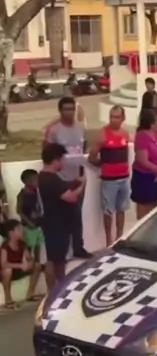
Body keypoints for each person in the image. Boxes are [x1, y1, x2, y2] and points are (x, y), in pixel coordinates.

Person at [45, 96, 90, 258]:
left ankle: (78, 247)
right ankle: (64, 251)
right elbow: (47, 155)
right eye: (66, 109)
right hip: (61, 180)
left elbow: (83, 150)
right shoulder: (54, 131)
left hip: (78, 179)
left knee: (77, 216)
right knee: (63, 217)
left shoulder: (80, 128)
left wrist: (82, 175)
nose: (69, 112)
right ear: (60, 111)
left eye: (72, 109)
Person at [38, 143, 86, 289]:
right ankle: (53, 290)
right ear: (56, 159)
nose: (64, 162)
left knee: (59, 259)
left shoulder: (44, 177)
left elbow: (63, 188)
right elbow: (71, 197)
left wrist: (75, 182)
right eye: (63, 159)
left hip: (54, 225)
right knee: (54, 260)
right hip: (56, 226)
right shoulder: (51, 179)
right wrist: (82, 185)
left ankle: (61, 285)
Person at [88, 105, 131, 247]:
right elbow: (92, 156)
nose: (114, 120)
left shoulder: (125, 133)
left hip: (124, 178)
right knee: (108, 211)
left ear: (123, 118)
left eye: (117, 117)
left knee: (121, 209)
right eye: (112, 117)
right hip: (109, 180)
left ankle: (119, 237)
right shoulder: (102, 134)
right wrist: (104, 166)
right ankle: (109, 240)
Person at [131, 109, 157, 220]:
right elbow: (142, 159)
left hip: (154, 178)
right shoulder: (142, 136)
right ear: (150, 123)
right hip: (144, 178)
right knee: (144, 211)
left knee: (153, 209)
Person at [1, 220, 42, 308]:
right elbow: (3, 264)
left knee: (37, 266)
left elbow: (29, 257)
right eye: (18, 229)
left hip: (19, 270)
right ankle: (8, 299)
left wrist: (29, 263)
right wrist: (20, 265)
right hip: (8, 272)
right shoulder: (5, 246)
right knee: (7, 271)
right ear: (11, 233)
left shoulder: (22, 244)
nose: (22, 231)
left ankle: (30, 293)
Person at [16, 169, 43, 263]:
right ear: (27, 181)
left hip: (38, 223)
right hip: (28, 226)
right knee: (29, 246)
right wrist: (29, 222)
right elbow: (19, 210)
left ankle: (37, 264)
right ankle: (29, 264)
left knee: (38, 245)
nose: (37, 181)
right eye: (35, 179)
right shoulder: (22, 195)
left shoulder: (37, 192)